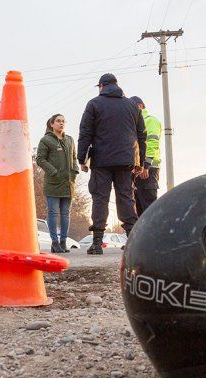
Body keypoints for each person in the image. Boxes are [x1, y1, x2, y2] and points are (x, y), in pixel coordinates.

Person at [78, 73, 146, 255]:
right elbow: (142, 135)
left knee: (100, 198)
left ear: (101, 86)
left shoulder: (94, 104)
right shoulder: (132, 106)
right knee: (126, 197)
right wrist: (140, 162)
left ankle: (97, 244)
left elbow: (85, 132)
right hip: (126, 160)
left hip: (101, 160)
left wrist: (81, 158)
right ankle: (132, 242)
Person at [35, 114, 78, 253]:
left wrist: (75, 171)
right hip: (53, 183)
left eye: (63, 121)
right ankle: (54, 242)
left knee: (65, 214)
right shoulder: (46, 140)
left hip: (68, 183)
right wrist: (53, 171)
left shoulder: (70, 140)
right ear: (52, 124)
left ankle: (63, 242)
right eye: (58, 121)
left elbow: (74, 158)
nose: (61, 123)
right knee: (53, 213)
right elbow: (40, 159)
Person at [129, 96, 162, 217]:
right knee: (139, 211)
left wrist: (146, 165)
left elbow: (152, 143)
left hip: (148, 169)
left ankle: (156, 230)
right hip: (138, 170)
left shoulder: (150, 121)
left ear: (140, 106)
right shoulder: (135, 124)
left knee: (150, 210)